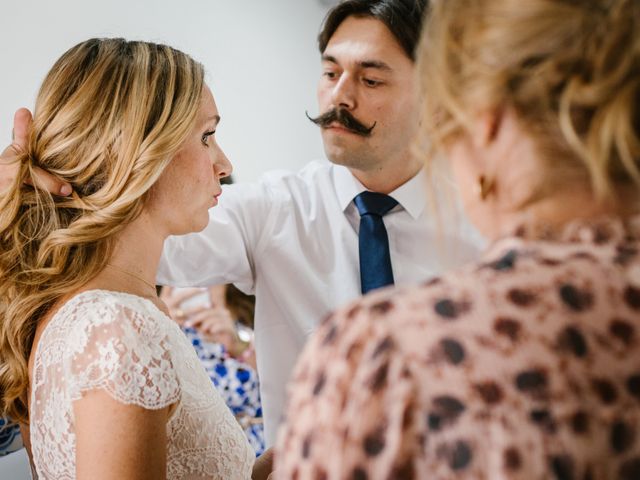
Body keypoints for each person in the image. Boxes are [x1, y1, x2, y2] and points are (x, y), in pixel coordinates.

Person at [0, 0, 480, 445]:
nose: (339, 96)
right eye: (330, 72)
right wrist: (34, 194)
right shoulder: (270, 212)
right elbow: (122, 232)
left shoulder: (493, 226)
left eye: (370, 80)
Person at [274, 0, 640, 478]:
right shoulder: (286, 202)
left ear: (486, 123)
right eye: (331, 73)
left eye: (372, 79)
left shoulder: (386, 355)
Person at [0, 38, 266, 478]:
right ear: (138, 153)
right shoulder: (117, 328)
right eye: (207, 136)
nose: (224, 163)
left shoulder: (84, 315)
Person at [161, 286, 265, 455]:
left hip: (264, 452)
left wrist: (238, 346)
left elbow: (290, 387)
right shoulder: (154, 325)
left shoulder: (255, 311)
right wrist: (156, 328)